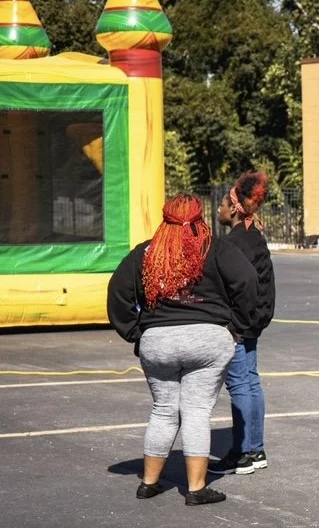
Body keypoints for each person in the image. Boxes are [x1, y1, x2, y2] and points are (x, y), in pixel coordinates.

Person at [107, 194, 258, 506]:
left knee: (163, 410)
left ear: (165, 218)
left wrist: (135, 333)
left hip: (158, 340)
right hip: (207, 339)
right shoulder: (215, 248)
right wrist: (236, 328)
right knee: (196, 412)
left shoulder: (146, 252)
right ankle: (196, 487)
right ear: (199, 217)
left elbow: (117, 293)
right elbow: (247, 282)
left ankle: (148, 482)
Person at [209, 171, 276, 477]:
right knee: (250, 380)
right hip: (253, 320)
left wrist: (232, 323)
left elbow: (239, 285)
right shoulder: (254, 237)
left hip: (239, 322)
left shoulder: (234, 242)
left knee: (239, 384)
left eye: (223, 203)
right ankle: (255, 448)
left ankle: (244, 453)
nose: (219, 208)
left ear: (234, 208)